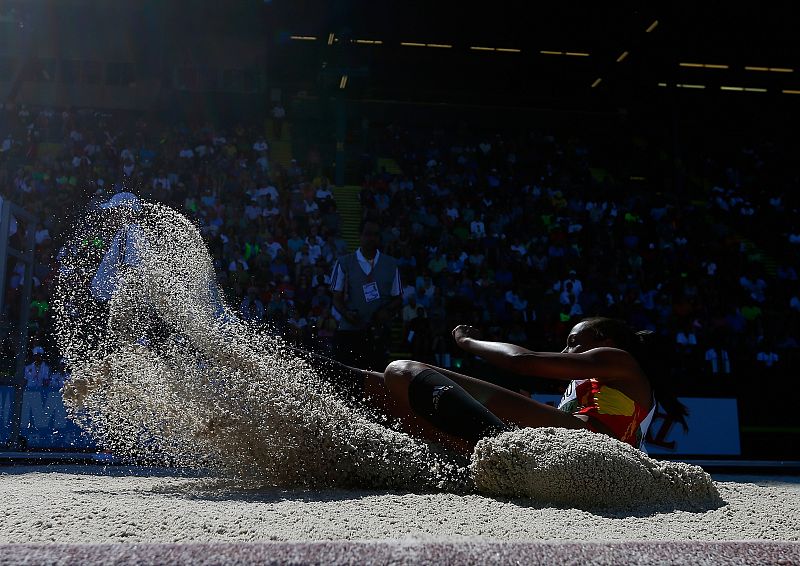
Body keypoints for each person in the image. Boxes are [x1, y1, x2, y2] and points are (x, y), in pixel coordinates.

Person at [354, 317, 688, 454]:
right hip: (567, 450)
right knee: (383, 385)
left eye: (573, 343)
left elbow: (521, 361)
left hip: (587, 450)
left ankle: (494, 451)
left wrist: (467, 341)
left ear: (607, 341)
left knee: (402, 371)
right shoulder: (600, 386)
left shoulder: (619, 359)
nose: (565, 353)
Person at [329, 219, 402, 370]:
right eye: (368, 234)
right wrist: (346, 313)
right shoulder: (343, 263)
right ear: (360, 236)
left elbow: (398, 299)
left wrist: (386, 311)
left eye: (375, 235)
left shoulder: (391, 264)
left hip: (378, 332)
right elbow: (336, 298)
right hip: (350, 331)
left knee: (376, 378)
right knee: (348, 378)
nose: (371, 238)